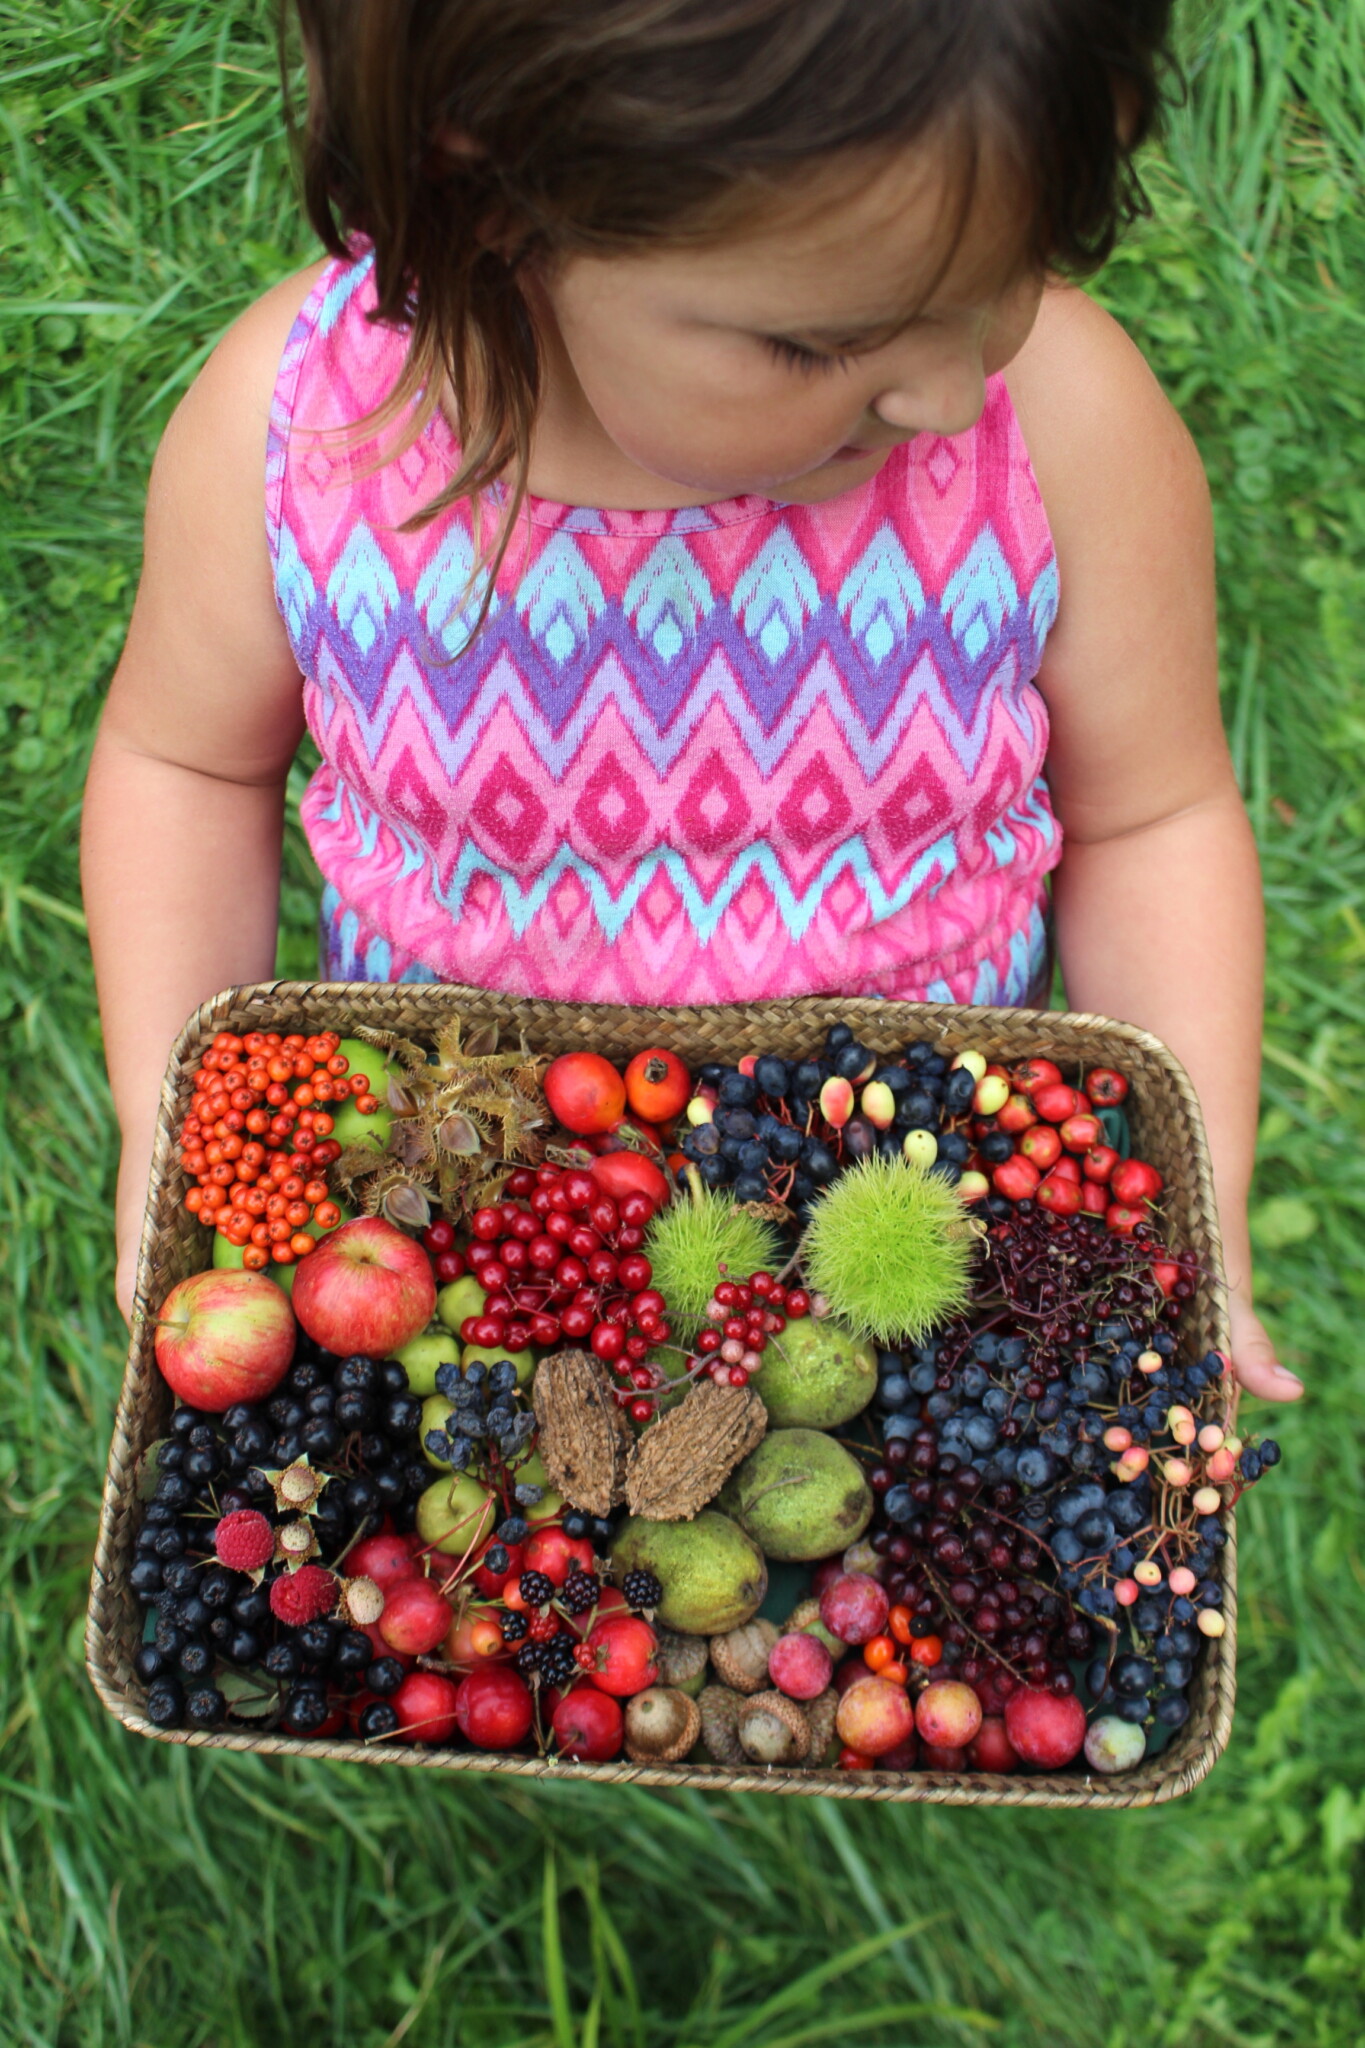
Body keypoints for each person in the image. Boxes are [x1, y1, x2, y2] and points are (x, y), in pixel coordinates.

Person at [81, 0, 1301, 1403]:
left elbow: (1150, 818)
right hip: (467, 1196)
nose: (949, 394)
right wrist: (175, 1127)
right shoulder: (308, 438)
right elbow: (187, 769)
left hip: (918, 1205)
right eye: (816, 345)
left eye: (1012, 275)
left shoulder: (1063, 423)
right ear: (490, 194)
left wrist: (1182, 1202)